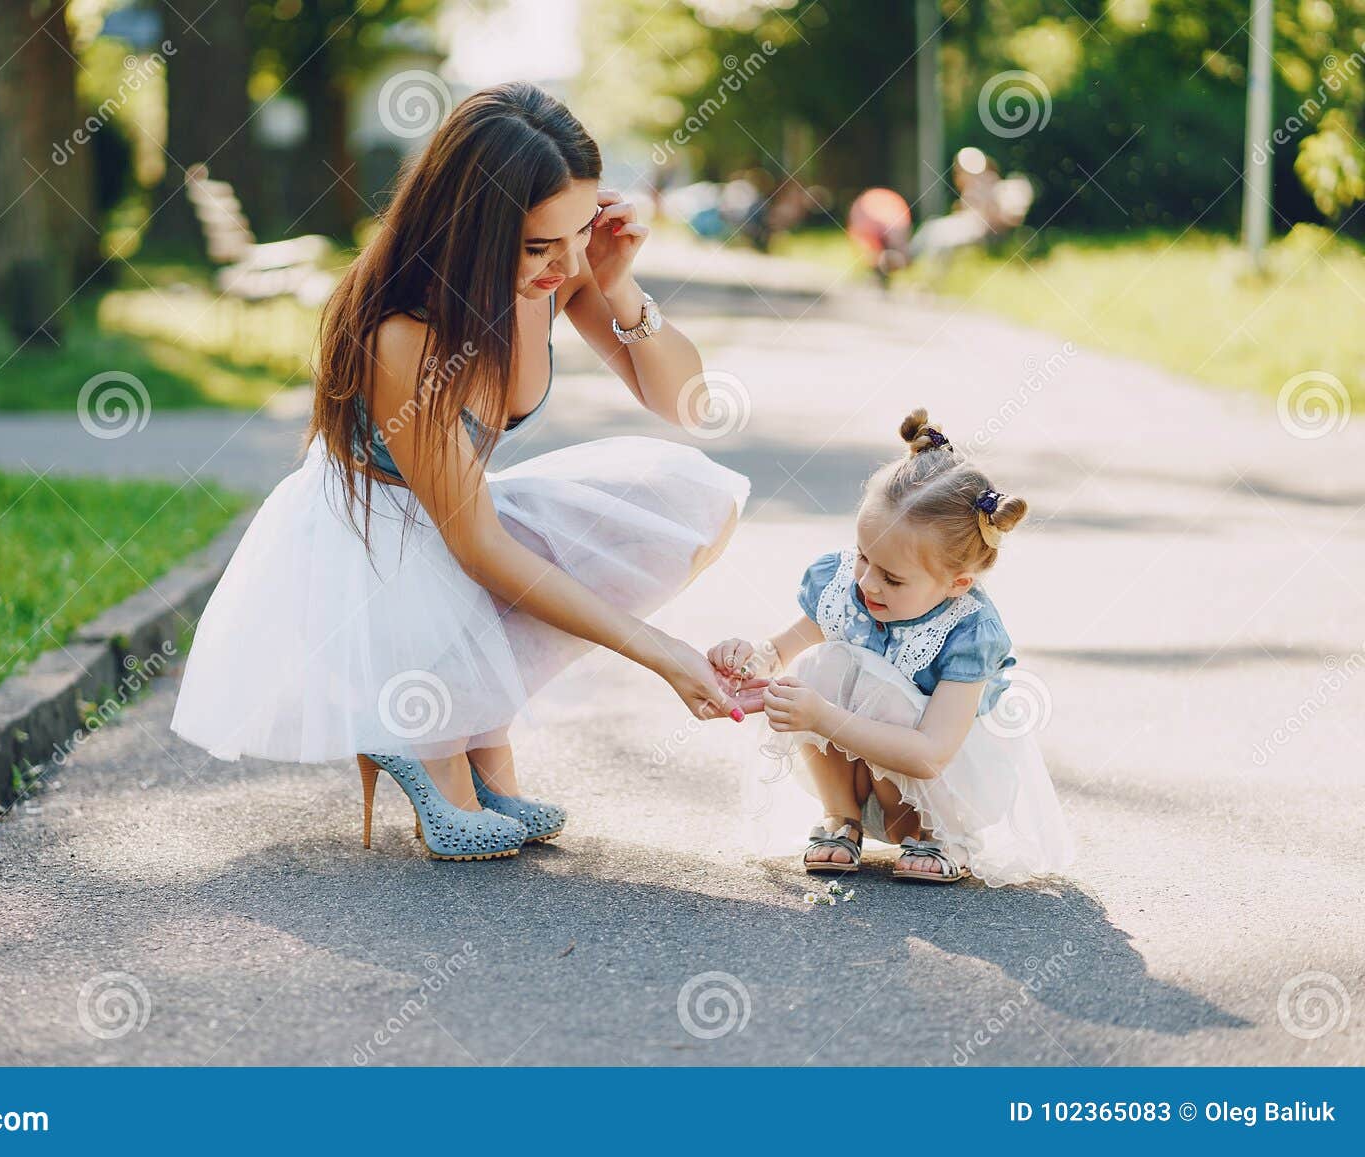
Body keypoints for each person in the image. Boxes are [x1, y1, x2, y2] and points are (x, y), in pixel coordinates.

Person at [171, 82, 750, 862]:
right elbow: (477, 546)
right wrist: (660, 652)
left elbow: (683, 402)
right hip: (368, 543)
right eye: (540, 246)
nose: (566, 261)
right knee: (453, 563)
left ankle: (472, 728)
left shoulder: (567, 267)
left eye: (580, 231)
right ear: (470, 231)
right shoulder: (405, 331)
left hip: (452, 514)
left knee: (686, 493)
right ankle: (417, 728)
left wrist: (617, 286)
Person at [709, 409, 1073, 886]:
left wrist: (822, 717)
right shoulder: (844, 585)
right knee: (822, 663)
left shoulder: (967, 631)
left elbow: (932, 754)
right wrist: (745, 660)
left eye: (892, 577)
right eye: (863, 555)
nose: (866, 581)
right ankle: (841, 818)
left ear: (957, 583)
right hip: (865, 781)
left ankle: (942, 839)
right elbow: (778, 652)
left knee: (879, 690)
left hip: (940, 791)